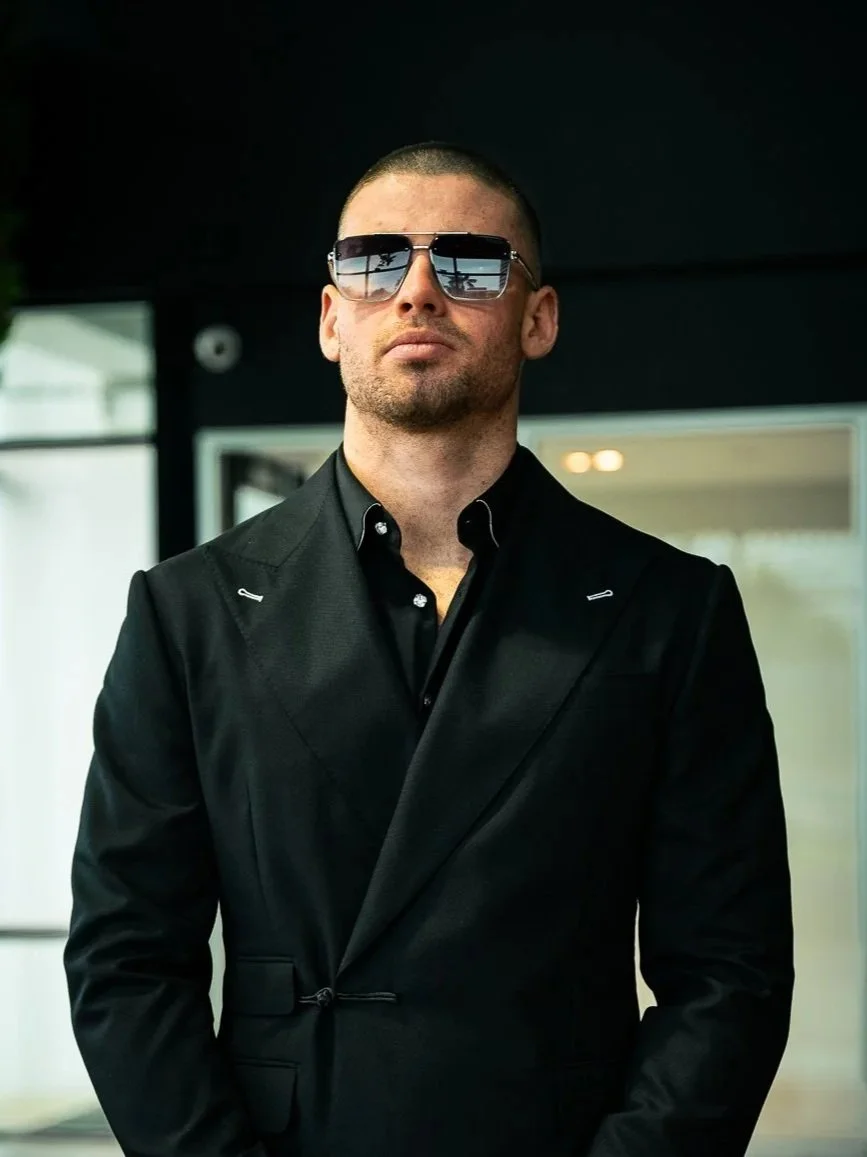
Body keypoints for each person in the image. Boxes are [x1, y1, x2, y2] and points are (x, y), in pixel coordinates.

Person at [64, 141, 794, 1157]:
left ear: (537, 316)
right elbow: (127, 960)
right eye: (374, 260)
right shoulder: (186, 613)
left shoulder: (670, 608)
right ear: (330, 317)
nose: (416, 289)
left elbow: (730, 970)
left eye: (468, 262)